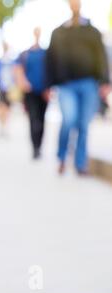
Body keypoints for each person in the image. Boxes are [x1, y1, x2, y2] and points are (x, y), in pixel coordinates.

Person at [46, 0, 110, 175]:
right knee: (68, 120)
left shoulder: (92, 31)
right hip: (66, 85)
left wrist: (105, 82)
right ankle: (62, 157)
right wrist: (48, 85)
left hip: (89, 83)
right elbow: (50, 59)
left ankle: (80, 164)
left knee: (83, 123)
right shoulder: (59, 32)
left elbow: (101, 57)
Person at [14, 27, 48, 160]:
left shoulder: (45, 53)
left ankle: (39, 146)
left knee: (42, 118)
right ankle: (35, 148)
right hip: (30, 92)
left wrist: (49, 88)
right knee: (33, 118)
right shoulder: (25, 54)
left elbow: (50, 70)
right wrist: (23, 82)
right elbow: (17, 69)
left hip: (43, 91)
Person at [0, 42, 16, 137]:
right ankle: (2, 127)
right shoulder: (0, 61)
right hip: (2, 87)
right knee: (2, 108)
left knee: (7, 109)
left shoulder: (11, 61)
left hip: (9, 88)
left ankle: (5, 127)